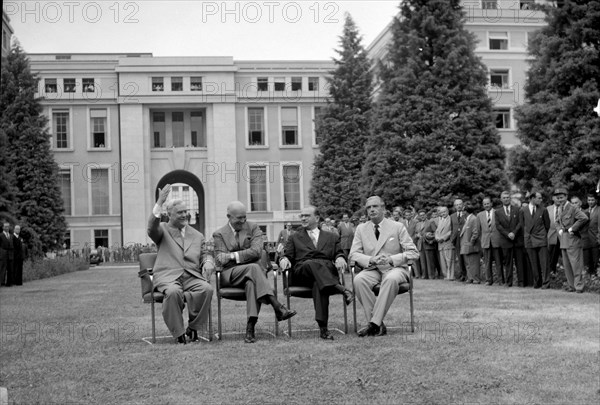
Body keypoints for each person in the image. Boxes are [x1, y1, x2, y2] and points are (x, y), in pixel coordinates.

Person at [213, 201, 296, 343]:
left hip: (252, 274)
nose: (243, 220)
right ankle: (277, 306)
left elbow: (257, 251)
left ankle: (250, 328)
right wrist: (244, 256)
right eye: (239, 218)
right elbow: (221, 259)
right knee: (254, 268)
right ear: (229, 216)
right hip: (230, 275)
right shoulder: (219, 234)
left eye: (244, 217)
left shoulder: (254, 228)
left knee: (252, 283)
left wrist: (232, 255)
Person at [147, 184, 214, 344]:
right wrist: (159, 202)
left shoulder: (197, 235)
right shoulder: (162, 229)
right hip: (168, 277)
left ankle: (193, 327)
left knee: (207, 289)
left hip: (191, 277)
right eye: (180, 213)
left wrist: (208, 262)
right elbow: (151, 228)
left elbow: (205, 253)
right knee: (173, 292)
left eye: (186, 212)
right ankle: (179, 333)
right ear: (169, 214)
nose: (185, 215)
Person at [278, 206, 353, 340]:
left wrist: (340, 257)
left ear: (317, 218)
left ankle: (323, 329)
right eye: (301, 216)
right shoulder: (294, 237)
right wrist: (283, 258)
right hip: (303, 273)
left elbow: (339, 252)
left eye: (307, 215)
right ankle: (340, 288)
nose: (303, 218)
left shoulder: (332, 236)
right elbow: (287, 255)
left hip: (323, 276)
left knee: (319, 285)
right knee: (310, 263)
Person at [350, 196, 419, 337]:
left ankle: (374, 324)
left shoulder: (397, 226)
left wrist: (392, 259)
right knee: (358, 280)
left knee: (391, 279)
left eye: (375, 206)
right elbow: (353, 254)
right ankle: (377, 325)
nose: (372, 210)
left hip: (395, 268)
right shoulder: (361, 229)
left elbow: (413, 252)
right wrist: (371, 259)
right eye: (368, 208)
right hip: (373, 269)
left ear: (383, 209)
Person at [554, 188, 588, 293]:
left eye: (562, 197)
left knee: (576, 264)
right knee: (567, 265)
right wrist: (559, 229)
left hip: (573, 238)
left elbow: (584, 218)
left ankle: (579, 286)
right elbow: (556, 221)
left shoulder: (572, 208)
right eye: (558, 197)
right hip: (563, 239)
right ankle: (571, 285)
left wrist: (573, 228)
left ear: (566, 196)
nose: (560, 199)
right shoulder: (559, 208)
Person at [521, 191, 550, 288]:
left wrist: (542, 234)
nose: (541, 200)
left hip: (541, 238)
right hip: (529, 239)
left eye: (541, 198)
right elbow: (522, 225)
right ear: (532, 198)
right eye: (539, 198)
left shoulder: (543, 210)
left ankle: (546, 283)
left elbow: (547, 225)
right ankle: (537, 282)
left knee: (544, 263)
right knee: (533, 263)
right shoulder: (523, 210)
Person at [495, 191, 522, 287]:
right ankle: (509, 282)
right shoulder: (497, 212)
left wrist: (514, 233)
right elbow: (498, 226)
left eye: (507, 197)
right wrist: (508, 234)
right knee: (508, 263)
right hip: (505, 241)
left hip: (517, 240)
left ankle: (521, 282)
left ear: (510, 198)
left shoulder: (517, 209)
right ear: (501, 199)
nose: (506, 199)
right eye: (504, 197)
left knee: (519, 262)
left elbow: (520, 223)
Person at [477, 197, 503, 285]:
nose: (486, 205)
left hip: (496, 241)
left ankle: (501, 280)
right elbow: (478, 230)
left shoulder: (498, 212)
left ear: (491, 203)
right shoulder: (479, 215)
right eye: (484, 204)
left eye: (488, 203)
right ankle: (489, 280)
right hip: (485, 242)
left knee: (498, 262)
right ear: (483, 205)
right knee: (487, 263)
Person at [460, 204, 481, 284]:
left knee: (474, 263)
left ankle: (476, 279)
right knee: (468, 263)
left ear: (466, 211)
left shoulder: (473, 219)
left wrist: (471, 242)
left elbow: (476, 232)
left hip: (472, 245)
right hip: (466, 245)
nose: (462, 212)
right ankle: (470, 278)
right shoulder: (467, 219)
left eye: (463, 210)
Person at [450, 199, 467, 281]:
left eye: (460, 204)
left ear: (463, 205)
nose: (459, 206)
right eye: (457, 205)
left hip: (465, 238)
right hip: (456, 240)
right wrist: (452, 239)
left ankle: (468, 275)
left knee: (466, 257)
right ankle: (462, 274)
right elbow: (452, 228)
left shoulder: (466, 214)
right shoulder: (452, 216)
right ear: (454, 206)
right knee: (460, 258)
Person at [435, 206, 454, 280]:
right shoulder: (441, 220)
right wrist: (436, 237)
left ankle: (451, 276)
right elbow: (437, 231)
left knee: (449, 260)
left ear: (448, 211)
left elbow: (451, 230)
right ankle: (445, 276)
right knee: (443, 261)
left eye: (444, 212)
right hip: (440, 244)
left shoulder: (451, 219)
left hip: (447, 242)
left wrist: (443, 238)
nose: (443, 213)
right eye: (441, 212)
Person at [584, 194, 599, 275]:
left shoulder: (599, 210)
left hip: (595, 240)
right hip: (586, 241)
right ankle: (589, 280)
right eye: (589, 200)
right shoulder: (584, 211)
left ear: (596, 200)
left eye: (592, 200)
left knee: (596, 261)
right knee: (587, 263)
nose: (590, 202)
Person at [0, 222, 14, 287]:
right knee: (3, 269)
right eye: (5, 226)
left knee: (10, 269)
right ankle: (2, 283)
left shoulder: (11, 236)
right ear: (3, 227)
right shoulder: (0, 235)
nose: (7, 228)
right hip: (3, 254)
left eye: (8, 226)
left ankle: (9, 282)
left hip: (10, 254)